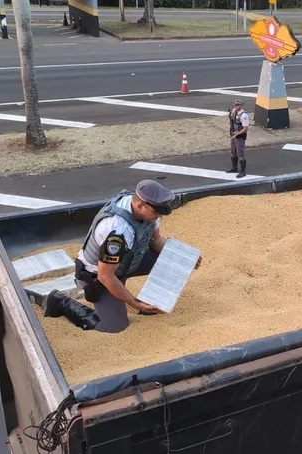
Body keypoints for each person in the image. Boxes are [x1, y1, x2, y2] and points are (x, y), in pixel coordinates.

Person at [39, 179, 201, 334]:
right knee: (114, 328)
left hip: (127, 261)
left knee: (177, 259)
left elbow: (156, 241)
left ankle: (151, 305)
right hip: (98, 275)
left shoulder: (146, 210)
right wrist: (134, 302)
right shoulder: (116, 230)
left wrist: (184, 256)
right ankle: (61, 302)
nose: (160, 215)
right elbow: (105, 276)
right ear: (140, 205)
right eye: (156, 212)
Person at [226, 99, 250, 179]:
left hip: (239, 136)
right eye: (235, 105)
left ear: (241, 105)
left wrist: (238, 133)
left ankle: (243, 171)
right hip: (233, 135)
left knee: (240, 153)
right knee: (233, 151)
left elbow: (245, 128)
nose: (235, 106)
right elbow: (231, 121)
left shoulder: (244, 115)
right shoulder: (234, 112)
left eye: (237, 105)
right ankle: (234, 168)